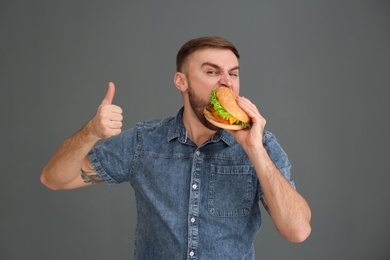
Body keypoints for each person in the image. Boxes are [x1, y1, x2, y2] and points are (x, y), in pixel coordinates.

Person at [41, 36, 311, 259]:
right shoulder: (144, 142)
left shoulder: (261, 144)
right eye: (212, 71)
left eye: (233, 73)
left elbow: (297, 231)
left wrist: (254, 150)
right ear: (181, 81)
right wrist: (91, 132)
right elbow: (54, 179)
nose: (227, 82)